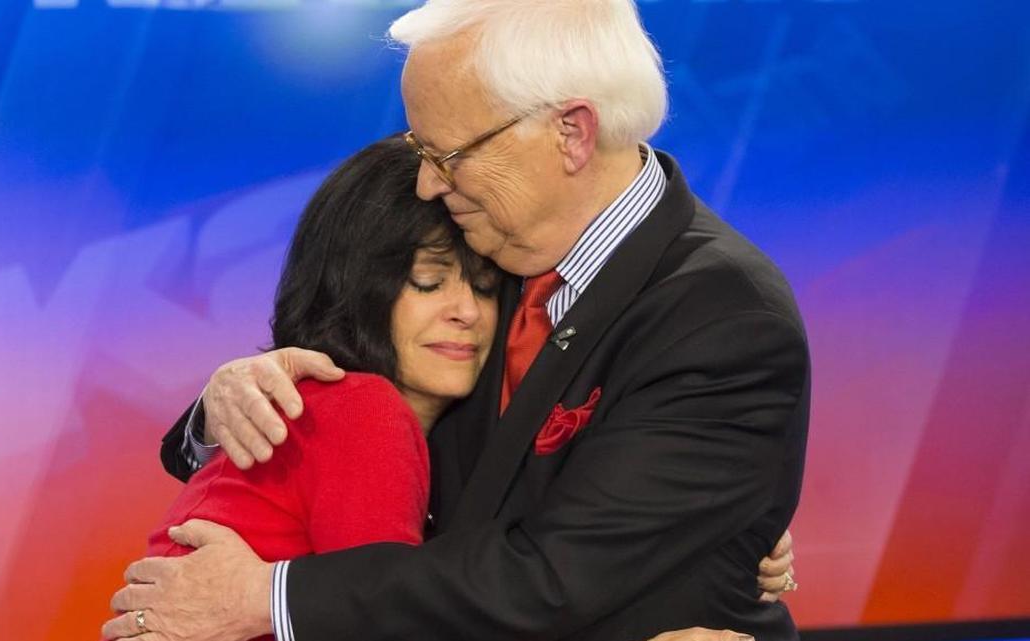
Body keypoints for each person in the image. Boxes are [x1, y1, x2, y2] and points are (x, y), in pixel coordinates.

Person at [104, 1, 809, 640]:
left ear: (571, 132)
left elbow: (555, 575)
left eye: (448, 154)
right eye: (420, 152)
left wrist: (271, 595)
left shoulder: (723, 317)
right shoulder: (496, 240)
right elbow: (366, 363)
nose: (427, 183)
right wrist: (237, 396)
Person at [137, 137, 499, 641]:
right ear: (354, 286)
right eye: (427, 281)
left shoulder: (333, 407)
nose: (468, 311)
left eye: (484, 286)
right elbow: (385, 625)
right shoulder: (361, 408)